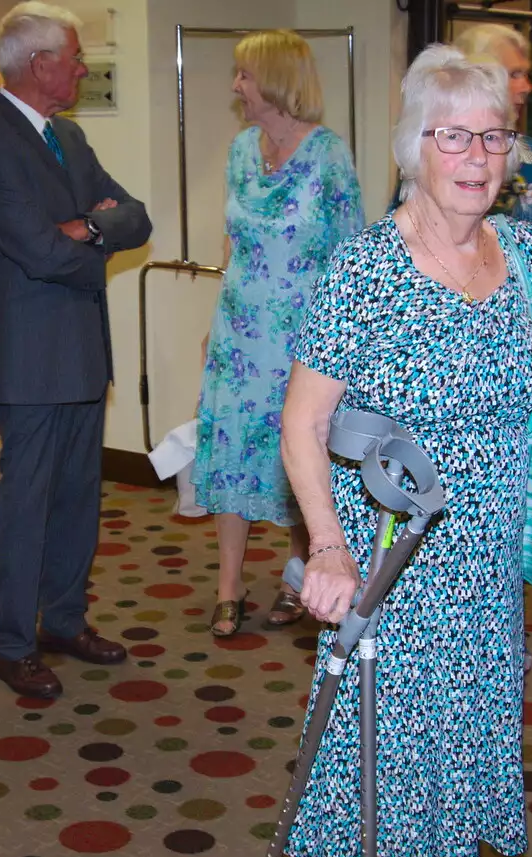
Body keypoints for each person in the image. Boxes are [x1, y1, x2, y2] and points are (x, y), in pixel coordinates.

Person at [280, 47, 532, 857]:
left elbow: (530, 405)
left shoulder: (522, 258)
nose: (476, 152)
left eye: (491, 134)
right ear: (416, 144)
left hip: (487, 561)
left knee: (459, 740)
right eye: (453, 132)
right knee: (356, 753)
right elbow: (302, 423)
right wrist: (326, 546)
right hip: (387, 556)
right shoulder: (365, 265)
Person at [0, 2, 152, 701]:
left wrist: (87, 230)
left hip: (81, 351)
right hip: (32, 360)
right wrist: (83, 233)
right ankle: (12, 643)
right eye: (72, 56)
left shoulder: (66, 133)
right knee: (27, 504)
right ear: (39, 65)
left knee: (77, 499)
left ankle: (64, 622)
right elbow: (38, 253)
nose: (81, 67)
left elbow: (136, 215)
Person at [194, 29, 363, 637]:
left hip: (305, 342)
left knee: (301, 455)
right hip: (240, 336)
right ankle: (229, 586)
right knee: (234, 457)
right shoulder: (241, 150)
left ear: (274, 80)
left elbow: (354, 256)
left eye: (244, 74)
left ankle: (301, 572)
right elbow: (232, 242)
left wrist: (349, 347)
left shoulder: (329, 156)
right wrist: (215, 327)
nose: (235, 86)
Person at [453, 21, 532, 288]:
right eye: (515, 74)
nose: (527, 87)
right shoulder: (436, 154)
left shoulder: (530, 155)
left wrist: (518, 303)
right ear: (479, 79)